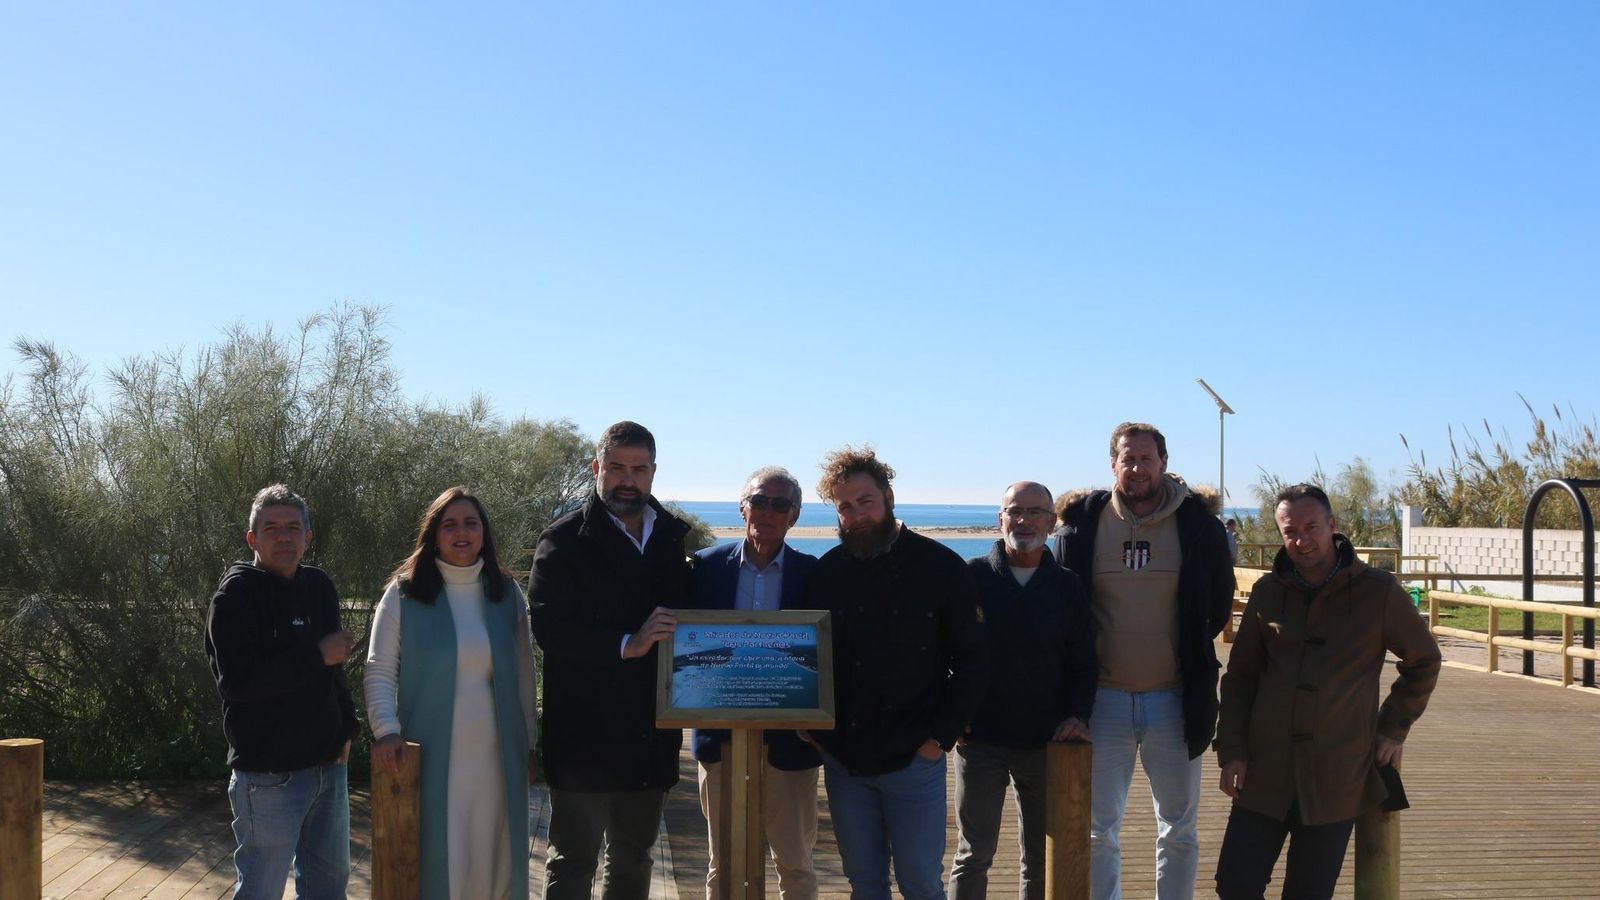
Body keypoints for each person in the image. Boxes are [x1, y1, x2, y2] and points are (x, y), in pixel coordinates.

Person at [1214, 484, 1440, 900]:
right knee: (1235, 885)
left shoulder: (1378, 591)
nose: (1301, 540)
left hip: (1335, 775)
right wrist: (1232, 751)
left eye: (1311, 527)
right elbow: (1240, 678)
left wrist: (1393, 727)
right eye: (1289, 531)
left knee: (1309, 892)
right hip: (1265, 770)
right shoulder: (1268, 591)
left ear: (1332, 526)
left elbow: (1423, 660)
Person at [1052, 422, 1234, 900]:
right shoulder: (1083, 524)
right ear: (1112, 464)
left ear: (1164, 463)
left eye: (1146, 459)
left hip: (1174, 698)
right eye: (1127, 459)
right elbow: (1066, 607)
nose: (1136, 468)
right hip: (1103, 701)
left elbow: (1217, 603)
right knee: (1097, 829)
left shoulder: (1198, 526)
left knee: (1179, 830)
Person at [805, 446, 989, 900]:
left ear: (888, 497)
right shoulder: (826, 573)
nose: (856, 516)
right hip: (844, 759)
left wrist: (939, 739)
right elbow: (805, 655)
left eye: (864, 502)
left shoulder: (940, 567)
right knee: (864, 883)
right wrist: (811, 727)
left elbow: (973, 659)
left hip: (914, 758)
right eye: (845, 508)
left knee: (921, 884)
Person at [529, 421, 691, 900]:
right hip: (583, 736)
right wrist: (628, 643)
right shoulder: (562, 540)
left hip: (650, 735)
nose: (628, 479)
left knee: (633, 858)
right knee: (573, 861)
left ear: (653, 473)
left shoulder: (669, 538)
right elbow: (549, 630)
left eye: (638, 469)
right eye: (617, 467)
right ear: (596, 468)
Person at [364, 487, 538, 900]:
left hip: (498, 756)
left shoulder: (506, 594)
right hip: (430, 754)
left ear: (484, 533)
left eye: (471, 523)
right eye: (451, 524)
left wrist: (529, 744)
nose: (462, 532)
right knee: (440, 857)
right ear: (434, 534)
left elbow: (525, 676)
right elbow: (379, 668)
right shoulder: (404, 594)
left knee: (494, 857)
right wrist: (385, 729)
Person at [205, 484, 357, 900]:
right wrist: (316, 654)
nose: (284, 536)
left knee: (328, 889)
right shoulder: (234, 596)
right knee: (260, 890)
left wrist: (347, 728)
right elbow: (236, 684)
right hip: (268, 778)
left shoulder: (319, 587)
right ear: (252, 538)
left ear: (308, 537)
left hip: (328, 769)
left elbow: (335, 667)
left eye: (294, 527)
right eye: (271, 528)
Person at [949, 481, 1097, 900]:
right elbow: (947, 649)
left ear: (1051, 523)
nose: (1024, 520)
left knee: (1040, 857)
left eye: (1035, 512)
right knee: (972, 853)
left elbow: (1084, 662)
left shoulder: (1068, 586)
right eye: (1015, 511)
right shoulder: (972, 576)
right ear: (1000, 520)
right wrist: (953, 713)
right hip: (980, 742)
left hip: (1046, 742)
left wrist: (1077, 715)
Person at [689, 467, 821, 900]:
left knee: (796, 863)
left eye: (779, 504)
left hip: (793, 741)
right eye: (759, 501)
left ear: (794, 516)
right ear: (742, 507)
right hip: (721, 741)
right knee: (723, 865)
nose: (767, 511)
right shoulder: (705, 569)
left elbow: (829, 654)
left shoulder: (814, 574)